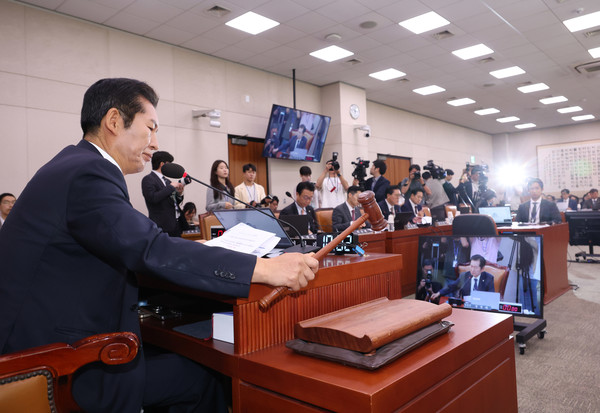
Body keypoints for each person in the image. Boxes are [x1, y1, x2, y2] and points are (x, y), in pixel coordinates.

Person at [0, 78, 318, 413]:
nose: (155, 143)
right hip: (55, 364)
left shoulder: (75, 165)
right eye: (150, 128)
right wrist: (266, 268)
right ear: (113, 121)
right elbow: (150, 249)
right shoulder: (87, 173)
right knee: (205, 375)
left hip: (58, 337)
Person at [142, 151, 184, 237]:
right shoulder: (148, 179)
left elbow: (173, 202)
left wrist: (179, 194)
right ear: (162, 164)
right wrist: (171, 187)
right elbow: (153, 198)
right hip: (161, 225)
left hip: (175, 224)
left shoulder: (167, 181)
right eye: (169, 164)